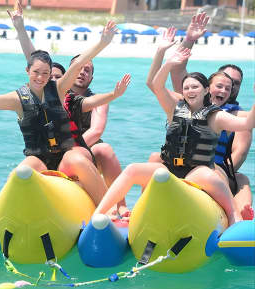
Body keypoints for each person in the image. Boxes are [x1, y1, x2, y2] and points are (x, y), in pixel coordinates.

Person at [0, 21, 130, 207]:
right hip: (40, 159)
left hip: (64, 158)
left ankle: (106, 209)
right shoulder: (17, 99)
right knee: (20, 172)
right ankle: (8, 218)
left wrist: (103, 42)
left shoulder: (60, 89)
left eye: (46, 73)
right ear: (27, 70)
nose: (41, 77)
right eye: (36, 72)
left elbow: (78, 64)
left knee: (76, 159)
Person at [94, 46, 255, 226]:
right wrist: (168, 61)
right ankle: (99, 214)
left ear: (205, 91)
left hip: (195, 172)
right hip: (171, 169)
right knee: (132, 169)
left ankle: (234, 218)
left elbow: (247, 123)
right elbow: (156, 85)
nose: (190, 90)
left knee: (210, 175)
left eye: (195, 87)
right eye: (186, 88)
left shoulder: (215, 116)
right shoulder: (173, 109)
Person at [7, 1, 130, 217]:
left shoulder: (85, 99)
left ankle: (118, 205)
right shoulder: (50, 92)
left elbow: (97, 131)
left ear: (92, 76)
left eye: (87, 70)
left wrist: (71, 147)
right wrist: (20, 27)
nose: (81, 72)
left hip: (80, 149)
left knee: (102, 149)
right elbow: (34, 58)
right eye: (78, 69)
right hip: (54, 152)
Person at [169, 12, 253, 219]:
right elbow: (177, 70)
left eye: (234, 84)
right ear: (209, 86)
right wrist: (189, 40)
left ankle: (238, 217)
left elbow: (239, 155)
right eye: (222, 82)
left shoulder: (238, 117)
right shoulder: (191, 101)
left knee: (238, 178)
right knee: (155, 159)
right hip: (184, 163)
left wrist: (217, 170)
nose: (228, 88)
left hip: (216, 169)